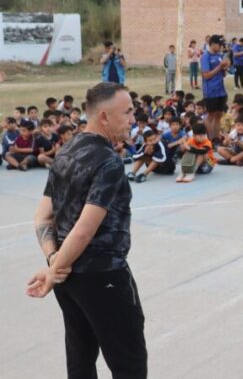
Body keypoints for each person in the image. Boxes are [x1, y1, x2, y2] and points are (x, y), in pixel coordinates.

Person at [26, 82, 147, 378]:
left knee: (80, 356)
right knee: (128, 360)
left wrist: (54, 260)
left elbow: (43, 216)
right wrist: (55, 270)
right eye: (127, 112)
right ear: (103, 117)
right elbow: (84, 230)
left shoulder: (66, 151)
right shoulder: (108, 162)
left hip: (69, 278)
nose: (133, 119)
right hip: (103, 274)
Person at [200, 34, 230, 140]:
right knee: (211, 115)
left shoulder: (219, 55)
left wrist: (225, 67)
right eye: (219, 45)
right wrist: (219, 67)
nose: (221, 47)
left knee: (219, 115)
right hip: (210, 90)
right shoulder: (205, 57)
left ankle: (217, 138)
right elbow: (206, 75)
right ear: (212, 44)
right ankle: (210, 139)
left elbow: (224, 74)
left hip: (221, 90)